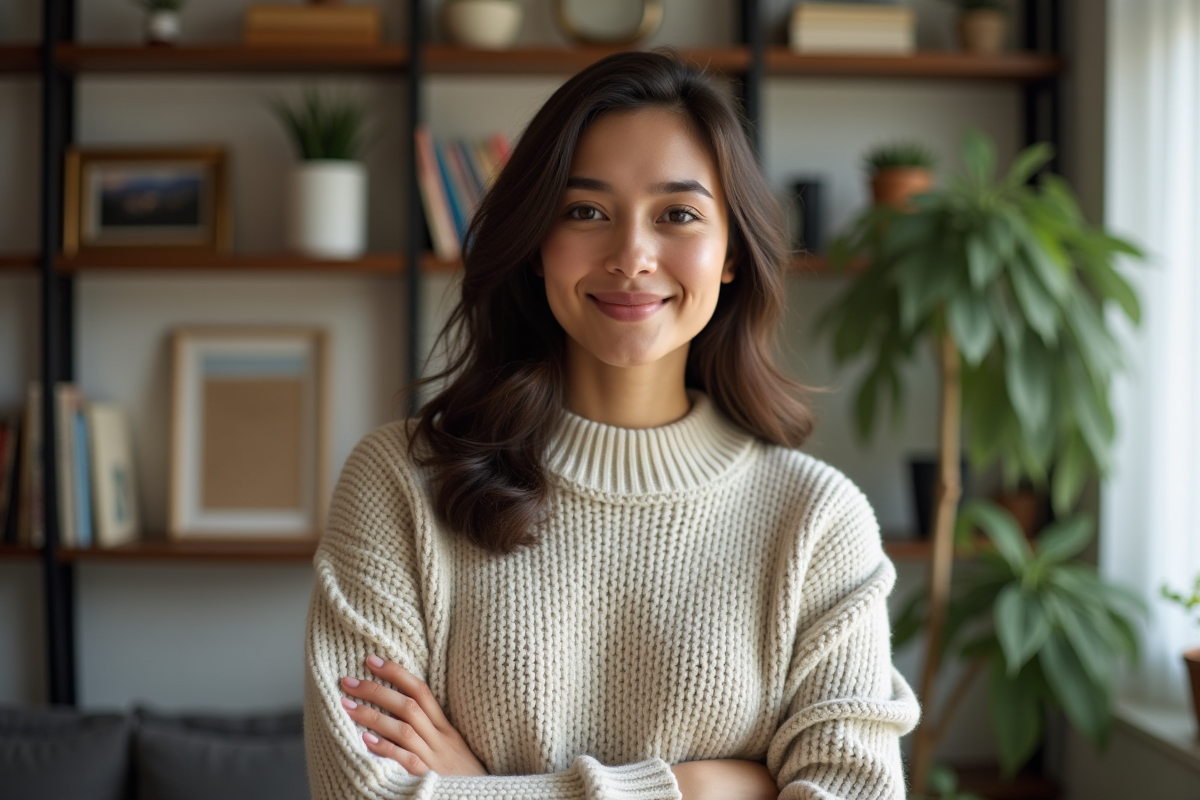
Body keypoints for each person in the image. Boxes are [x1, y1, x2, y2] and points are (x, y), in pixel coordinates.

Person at [303, 50, 920, 800]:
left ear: (731, 254)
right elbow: (358, 792)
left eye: (679, 215)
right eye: (586, 212)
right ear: (536, 245)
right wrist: (718, 788)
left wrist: (477, 789)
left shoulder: (817, 522)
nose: (632, 256)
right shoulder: (399, 482)